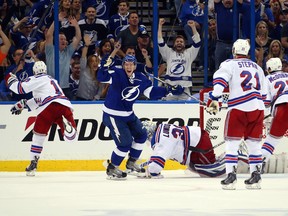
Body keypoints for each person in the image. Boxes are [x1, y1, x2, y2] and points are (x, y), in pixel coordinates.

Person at [97, 42, 184, 180]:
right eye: (126, 64)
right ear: (123, 65)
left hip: (128, 115)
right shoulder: (117, 74)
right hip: (113, 115)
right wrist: (104, 64)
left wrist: (169, 90)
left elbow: (151, 93)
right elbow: (101, 77)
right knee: (124, 143)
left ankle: (131, 164)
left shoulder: (140, 78)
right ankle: (112, 168)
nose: (128, 66)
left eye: (131, 64)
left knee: (141, 135)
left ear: (135, 66)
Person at [206, 39, 267, 190]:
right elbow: (265, 94)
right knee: (254, 144)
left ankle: (231, 177)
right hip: (258, 108)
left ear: (234, 50)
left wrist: (215, 97)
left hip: (238, 108)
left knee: (232, 143)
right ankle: (256, 176)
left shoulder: (229, 64)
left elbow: (220, 81)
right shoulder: (257, 67)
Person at [5, 61, 78, 176]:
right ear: (45, 70)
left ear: (34, 71)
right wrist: (23, 104)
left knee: (38, 136)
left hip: (47, 109)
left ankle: (33, 162)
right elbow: (40, 98)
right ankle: (69, 129)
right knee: (72, 138)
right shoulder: (52, 80)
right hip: (63, 104)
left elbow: (19, 88)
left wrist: (9, 79)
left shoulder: (36, 79)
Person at [142, 121, 249, 178]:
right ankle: (229, 155)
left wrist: (152, 171)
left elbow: (157, 165)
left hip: (198, 147)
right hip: (198, 141)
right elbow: (164, 152)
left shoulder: (160, 141)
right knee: (195, 167)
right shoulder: (162, 128)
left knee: (211, 171)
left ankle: (237, 154)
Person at [158, 18, 201, 101]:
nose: (179, 43)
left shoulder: (189, 53)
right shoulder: (168, 52)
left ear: (184, 44)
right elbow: (160, 41)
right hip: (170, 89)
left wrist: (193, 27)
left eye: (181, 42)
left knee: (186, 112)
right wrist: (160, 25)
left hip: (185, 90)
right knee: (169, 112)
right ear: (174, 44)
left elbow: (198, 42)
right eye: (177, 41)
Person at [261, 58, 288, 172]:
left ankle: (258, 165)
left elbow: (266, 101)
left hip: (283, 105)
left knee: (272, 139)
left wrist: (265, 115)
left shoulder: (267, 78)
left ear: (269, 68)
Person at [45, 17, 81, 100]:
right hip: (51, 88)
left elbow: (78, 38)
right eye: (61, 39)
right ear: (56, 41)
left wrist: (76, 26)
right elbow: (49, 35)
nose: (64, 41)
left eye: (65, 39)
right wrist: (56, 20)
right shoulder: (50, 50)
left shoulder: (68, 52)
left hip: (65, 88)